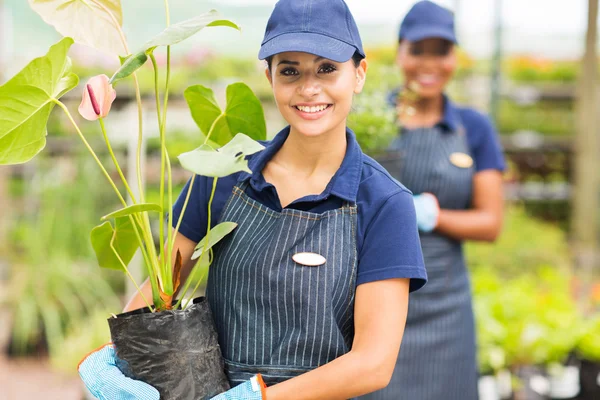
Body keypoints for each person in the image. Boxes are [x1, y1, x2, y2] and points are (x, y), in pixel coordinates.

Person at [78, 1, 428, 399]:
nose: (308, 87)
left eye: (327, 68)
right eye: (290, 70)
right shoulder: (224, 171)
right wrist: (115, 355)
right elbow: (162, 289)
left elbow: (372, 363)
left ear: (359, 74)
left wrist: (257, 398)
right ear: (270, 77)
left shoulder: (383, 202)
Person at [359, 2, 506, 400]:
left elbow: (490, 223)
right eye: (417, 49)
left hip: (446, 307)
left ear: (454, 57)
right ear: (399, 52)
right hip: (373, 297)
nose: (429, 62)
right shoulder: (370, 120)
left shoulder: (472, 127)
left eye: (440, 50)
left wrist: (433, 216)